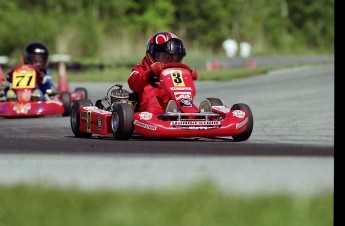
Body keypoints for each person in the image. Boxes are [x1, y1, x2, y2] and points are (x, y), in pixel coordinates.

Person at [128, 31, 198, 114]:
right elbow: (133, 83)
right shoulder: (140, 69)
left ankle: (193, 114)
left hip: (171, 104)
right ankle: (160, 118)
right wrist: (149, 73)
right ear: (151, 55)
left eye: (176, 58)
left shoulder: (175, 74)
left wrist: (188, 75)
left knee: (183, 101)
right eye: (165, 57)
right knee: (154, 102)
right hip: (148, 108)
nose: (171, 62)